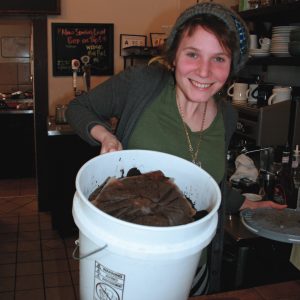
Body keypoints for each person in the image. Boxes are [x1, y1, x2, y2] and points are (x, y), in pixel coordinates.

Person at [66, 2, 286, 295]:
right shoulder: (143, 84)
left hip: (190, 264)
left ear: (232, 66)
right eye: (193, 54)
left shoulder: (227, 115)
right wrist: (105, 136)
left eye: (219, 58)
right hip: (129, 258)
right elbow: (79, 107)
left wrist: (245, 204)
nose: (204, 71)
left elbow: (210, 181)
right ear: (174, 56)